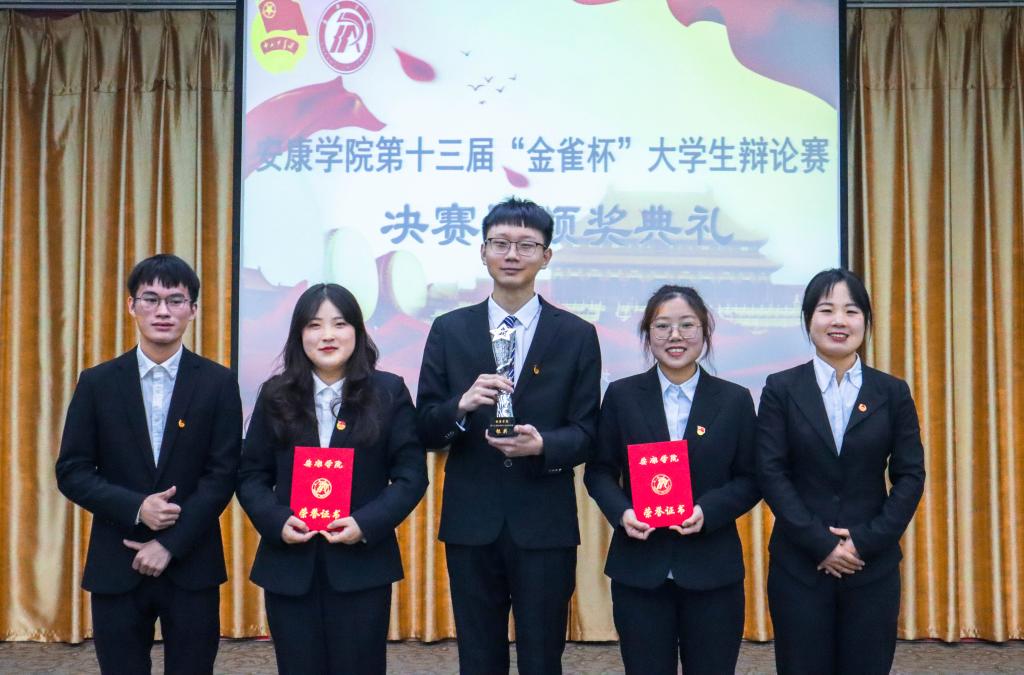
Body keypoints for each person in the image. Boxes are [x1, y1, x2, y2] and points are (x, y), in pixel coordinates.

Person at [416, 197, 601, 674]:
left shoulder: (576, 334)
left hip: (544, 520)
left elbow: (588, 431)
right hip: (472, 519)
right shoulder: (449, 330)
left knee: (543, 656)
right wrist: (460, 406)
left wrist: (544, 445)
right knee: (478, 655)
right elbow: (425, 426)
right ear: (483, 252)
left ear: (546, 256)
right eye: (500, 243)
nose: (512, 254)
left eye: (526, 245)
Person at [55, 254, 242, 674]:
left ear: (193, 310)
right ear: (131, 306)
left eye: (176, 300)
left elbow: (223, 474)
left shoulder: (218, 382)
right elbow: (72, 471)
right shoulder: (98, 382)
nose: (163, 311)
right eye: (151, 299)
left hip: (192, 562)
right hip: (116, 561)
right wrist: (138, 507)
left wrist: (170, 544)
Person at [237, 283, 427, 674]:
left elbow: (411, 476)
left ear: (357, 331)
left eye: (339, 324)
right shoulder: (275, 394)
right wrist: (276, 521)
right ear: (299, 335)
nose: (327, 335)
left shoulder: (388, 391)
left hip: (361, 566)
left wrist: (365, 523)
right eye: (314, 325)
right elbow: (251, 474)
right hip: (290, 564)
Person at [756, 268, 926, 675]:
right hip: (800, 565)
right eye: (826, 310)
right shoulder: (781, 388)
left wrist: (864, 542)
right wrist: (821, 544)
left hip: (871, 566)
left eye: (851, 311)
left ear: (865, 321)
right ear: (808, 319)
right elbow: (771, 472)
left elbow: (910, 475)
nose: (839, 321)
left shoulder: (892, 392)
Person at [584, 285, 759, 675]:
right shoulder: (622, 396)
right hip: (640, 569)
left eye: (687, 325)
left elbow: (751, 478)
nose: (675, 335)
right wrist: (623, 513)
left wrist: (707, 511)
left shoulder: (734, 399)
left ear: (705, 331)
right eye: (662, 326)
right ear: (648, 334)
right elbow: (599, 471)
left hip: (713, 570)